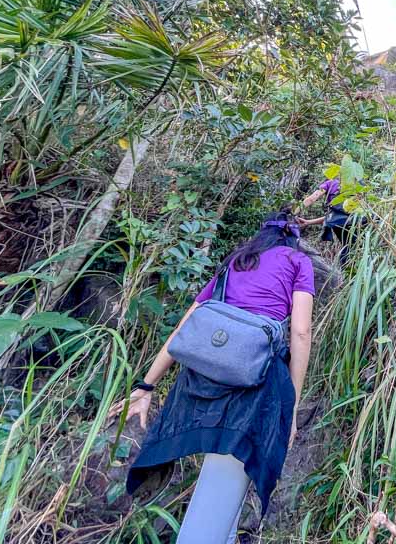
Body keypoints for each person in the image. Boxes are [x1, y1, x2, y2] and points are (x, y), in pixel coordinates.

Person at [110, 210, 314, 544]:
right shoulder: (297, 261)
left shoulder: (237, 261)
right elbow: (301, 332)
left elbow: (185, 326)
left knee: (223, 504)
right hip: (253, 392)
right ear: (292, 239)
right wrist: (289, 407)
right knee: (214, 509)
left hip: (201, 385)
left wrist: (146, 385)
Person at [299, 176, 359, 267]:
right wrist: (308, 222)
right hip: (356, 221)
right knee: (353, 247)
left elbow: (311, 199)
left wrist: (292, 212)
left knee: (347, 246)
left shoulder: (330, 183)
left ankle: (346, 269)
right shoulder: (356, 186)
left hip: (338, 224)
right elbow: (337, 216)